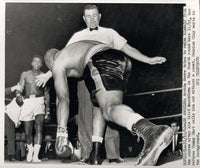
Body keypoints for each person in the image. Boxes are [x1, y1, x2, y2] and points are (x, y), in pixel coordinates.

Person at [36, 5, 173, 166]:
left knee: (109, 109)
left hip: (99, 62)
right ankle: (95, 153)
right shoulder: (77, 42)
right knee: (99, 106)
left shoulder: (58, 62)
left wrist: (61, 132)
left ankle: (151, 131)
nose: (66, 75)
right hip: (119, 61)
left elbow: (63, 99)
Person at [14, 55, 50, 163]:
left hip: (39, 101)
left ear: (41, 65)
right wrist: (18, 94)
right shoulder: (25, 74)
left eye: (39, 62)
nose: (37, 64)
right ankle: (30, 150)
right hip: (27, 102)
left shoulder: (44, 76)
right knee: (28, 131)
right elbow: (19, 88)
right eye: (35, 62)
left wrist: (47, 110)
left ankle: (36, 156)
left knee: (39, 128)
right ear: (31, 63)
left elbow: (47, 94)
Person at [5, 84, 22, 161]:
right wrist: (14, 87)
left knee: (11, 136)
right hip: (6, 115)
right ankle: (11, 155)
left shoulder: (21, 100)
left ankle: (11, 155)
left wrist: (18, 121)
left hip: (8, 116)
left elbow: (20, 112)